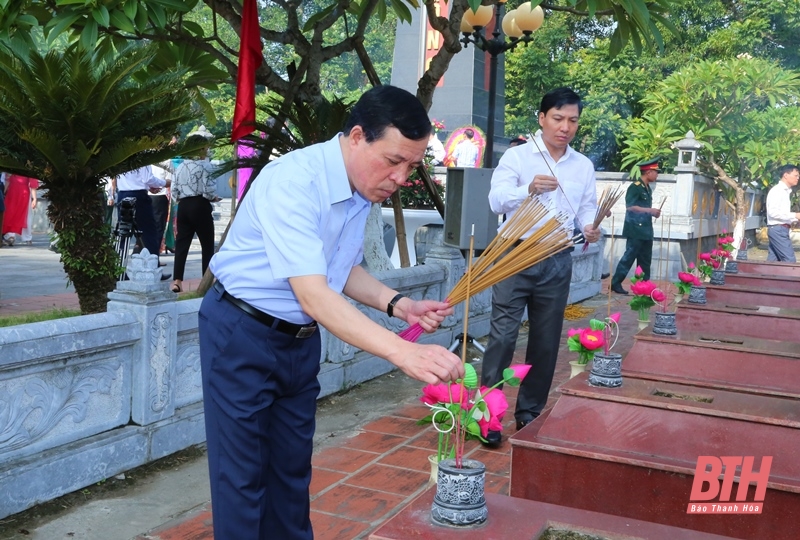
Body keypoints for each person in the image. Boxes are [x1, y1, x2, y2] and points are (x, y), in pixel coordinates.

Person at [198, 85, 464, 540]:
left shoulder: (360, 189)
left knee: (291, 474)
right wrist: (405, 355)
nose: (401, 177)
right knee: (241, 479)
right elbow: (315, 295)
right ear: (358, 136)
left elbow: (340, 268)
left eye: (412, 166)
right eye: (393, 160)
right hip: (241, 332)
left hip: (298, 343)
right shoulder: (295, 182)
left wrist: (400, 305)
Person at [480, 87, 601, 446]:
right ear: (542, 118)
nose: (565, 127)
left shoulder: (583, 165)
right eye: (558, 118)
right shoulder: (518, 157)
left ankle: (529, 413)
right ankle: (488, 414)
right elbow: (495, 200)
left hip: (556, 256)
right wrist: (528, 190)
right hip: (514, 254)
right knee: (503, 336)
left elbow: (586, 209)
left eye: (573, 120)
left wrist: (592, 228)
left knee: (546, 340)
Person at [170, 127, 218, 293]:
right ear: (201, 149)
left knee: (182, 244)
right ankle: (206, 282)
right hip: (200, 204)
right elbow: (209, 189)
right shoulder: (205, 166)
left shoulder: (180, 166)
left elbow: (174, 189)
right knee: (207, 245)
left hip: (183, 206)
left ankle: (177, 280)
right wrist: (213, 198)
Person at [610, 158, 662, 294]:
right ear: (648, 172)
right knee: (629, 257)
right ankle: (615, 282)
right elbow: (630, 207)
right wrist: (650, 211)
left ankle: (644, 287)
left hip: (645, 229)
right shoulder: (635, 187)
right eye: (656, 172)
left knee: (645, 260)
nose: (657, 175)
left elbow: (643, 208)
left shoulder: (647, 188)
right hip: (635, 228)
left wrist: (653, 213)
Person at [115, 166, 171, 280]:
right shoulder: (141, 156)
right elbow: (147, 178)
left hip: (123, 193)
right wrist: (164, 183)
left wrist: (148, 186)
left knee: (123, 234)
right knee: (149, 233)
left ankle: (119, 270)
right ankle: (153, 269)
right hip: (138, 196)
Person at [765, 164, 800, 262]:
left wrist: (794, 219)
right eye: (795, 175)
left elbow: (781, 213)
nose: (798, 178)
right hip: (778, 230)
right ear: (786, 175)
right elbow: (773, 212)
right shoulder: (777, 191)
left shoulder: (785, 191)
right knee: (789, 261)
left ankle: (765, 277)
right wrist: (795, 215)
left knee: (773, 262)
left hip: (779, 229)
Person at [2, 174, 38, 246]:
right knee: (10, 214)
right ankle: (10, 235)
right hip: (12, 193)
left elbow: (32, 183)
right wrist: (3, 193)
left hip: (23, 194)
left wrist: (34, 198)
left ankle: (27, 237)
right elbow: (7, 181)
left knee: (25, 215)